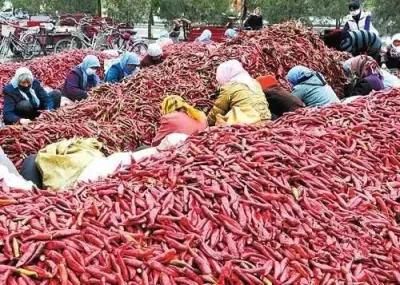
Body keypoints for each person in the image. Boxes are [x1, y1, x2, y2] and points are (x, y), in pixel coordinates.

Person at [207, 60, 271, 126]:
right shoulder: (254, 82)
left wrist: (207, 123)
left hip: (248, 122)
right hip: (265, 119)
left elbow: (218, 110)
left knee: (220, 123)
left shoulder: (230, 87)